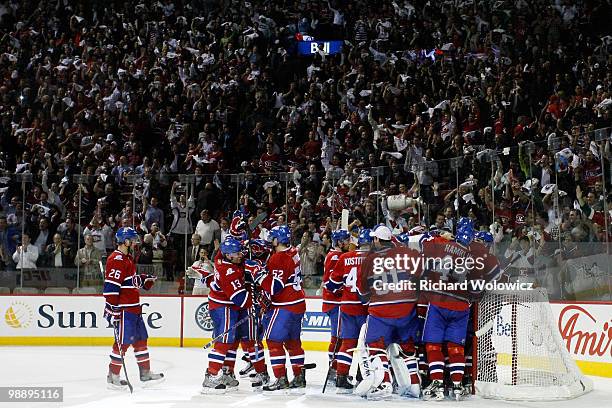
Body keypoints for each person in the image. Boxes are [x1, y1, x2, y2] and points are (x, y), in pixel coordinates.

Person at [420, 218, 500, 400]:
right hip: (462, 306)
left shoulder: (442, 245)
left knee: (433, 345)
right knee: (456, 347)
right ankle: (457, 384)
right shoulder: (475, 257)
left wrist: (439, 235)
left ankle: (438, 383)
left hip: (439, 301)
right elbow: (478, 288)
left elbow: (423, 243)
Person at [357, 225, 422, 400]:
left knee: (375, 345)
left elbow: (362, 291)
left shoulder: (370, 259)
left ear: (377, 240)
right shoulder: (407, 254)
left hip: (381, 310)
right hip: (407, 309)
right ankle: (414, 384)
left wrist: (370, 299)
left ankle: (384, 383)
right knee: (407, 346)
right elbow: (420, 277)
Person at [103, 227, 164, 390]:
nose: (135, 242)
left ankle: (145, 373)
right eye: (133, 239)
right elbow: (111, 288)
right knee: (122, 343)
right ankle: (113, 376)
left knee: (141, 340)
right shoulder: (116, 259)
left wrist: (143, 280)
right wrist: (113, 309)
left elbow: (127, 282)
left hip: (134, 308)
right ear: (125, 241)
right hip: (124, 310)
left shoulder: (127, 258)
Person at [201, 236, 253, 394]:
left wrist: (241, 240)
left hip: (227, 306)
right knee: (224, 342)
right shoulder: (228, 271)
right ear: (229, 255)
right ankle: (210, 376)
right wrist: (256, 298)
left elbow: (222, 249)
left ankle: (227, 373)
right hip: (223, 307)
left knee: (232, 342)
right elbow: (241, 300)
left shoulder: (221, 257)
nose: (241, 255)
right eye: (237, 253)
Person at [260, 225, 306, 393]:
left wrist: (260, 277)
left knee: (273, 341)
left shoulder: (278, 258)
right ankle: (299, 376)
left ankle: (280, 378)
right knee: (293, 343)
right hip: (298, 303)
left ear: (277, 240)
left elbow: (275, 287)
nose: (270, 240)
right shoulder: (293, 251)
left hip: (284, 306)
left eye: (272, 237)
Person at [325, 228, 371, 393]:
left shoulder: (345, 257)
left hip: (346, 306)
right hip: (366, 309)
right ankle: (362, 376)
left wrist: (343, 289)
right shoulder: (374, 259)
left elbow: (331, 284)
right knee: (368, 344)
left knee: (347, 343)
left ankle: (341, 378)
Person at [321, 228, 350, 385]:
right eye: (346, 240)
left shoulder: (337, 255)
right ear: (339, 242)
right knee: (338, 337)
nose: (349, 243)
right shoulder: (335, 257)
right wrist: (347, 290)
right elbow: (330, 283)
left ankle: (336, 368)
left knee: (339, 336)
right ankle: (334, 370)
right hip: (336, 303)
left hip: (335, 303)